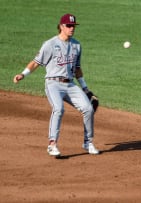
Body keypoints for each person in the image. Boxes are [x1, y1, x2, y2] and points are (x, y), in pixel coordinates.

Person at [13, 13, 99, 156]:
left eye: (74, 26)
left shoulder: (77, 45)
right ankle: (52, 144)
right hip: (53, 84)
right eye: (69, 26)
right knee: (59, 109)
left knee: (88, 109)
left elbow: (77, 69)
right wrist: (23, 74)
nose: (72, 28)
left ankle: (88, 142)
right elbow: (36, 62)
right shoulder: (50, 44)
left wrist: (85, 89)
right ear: (61, 26)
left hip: (70, 85)